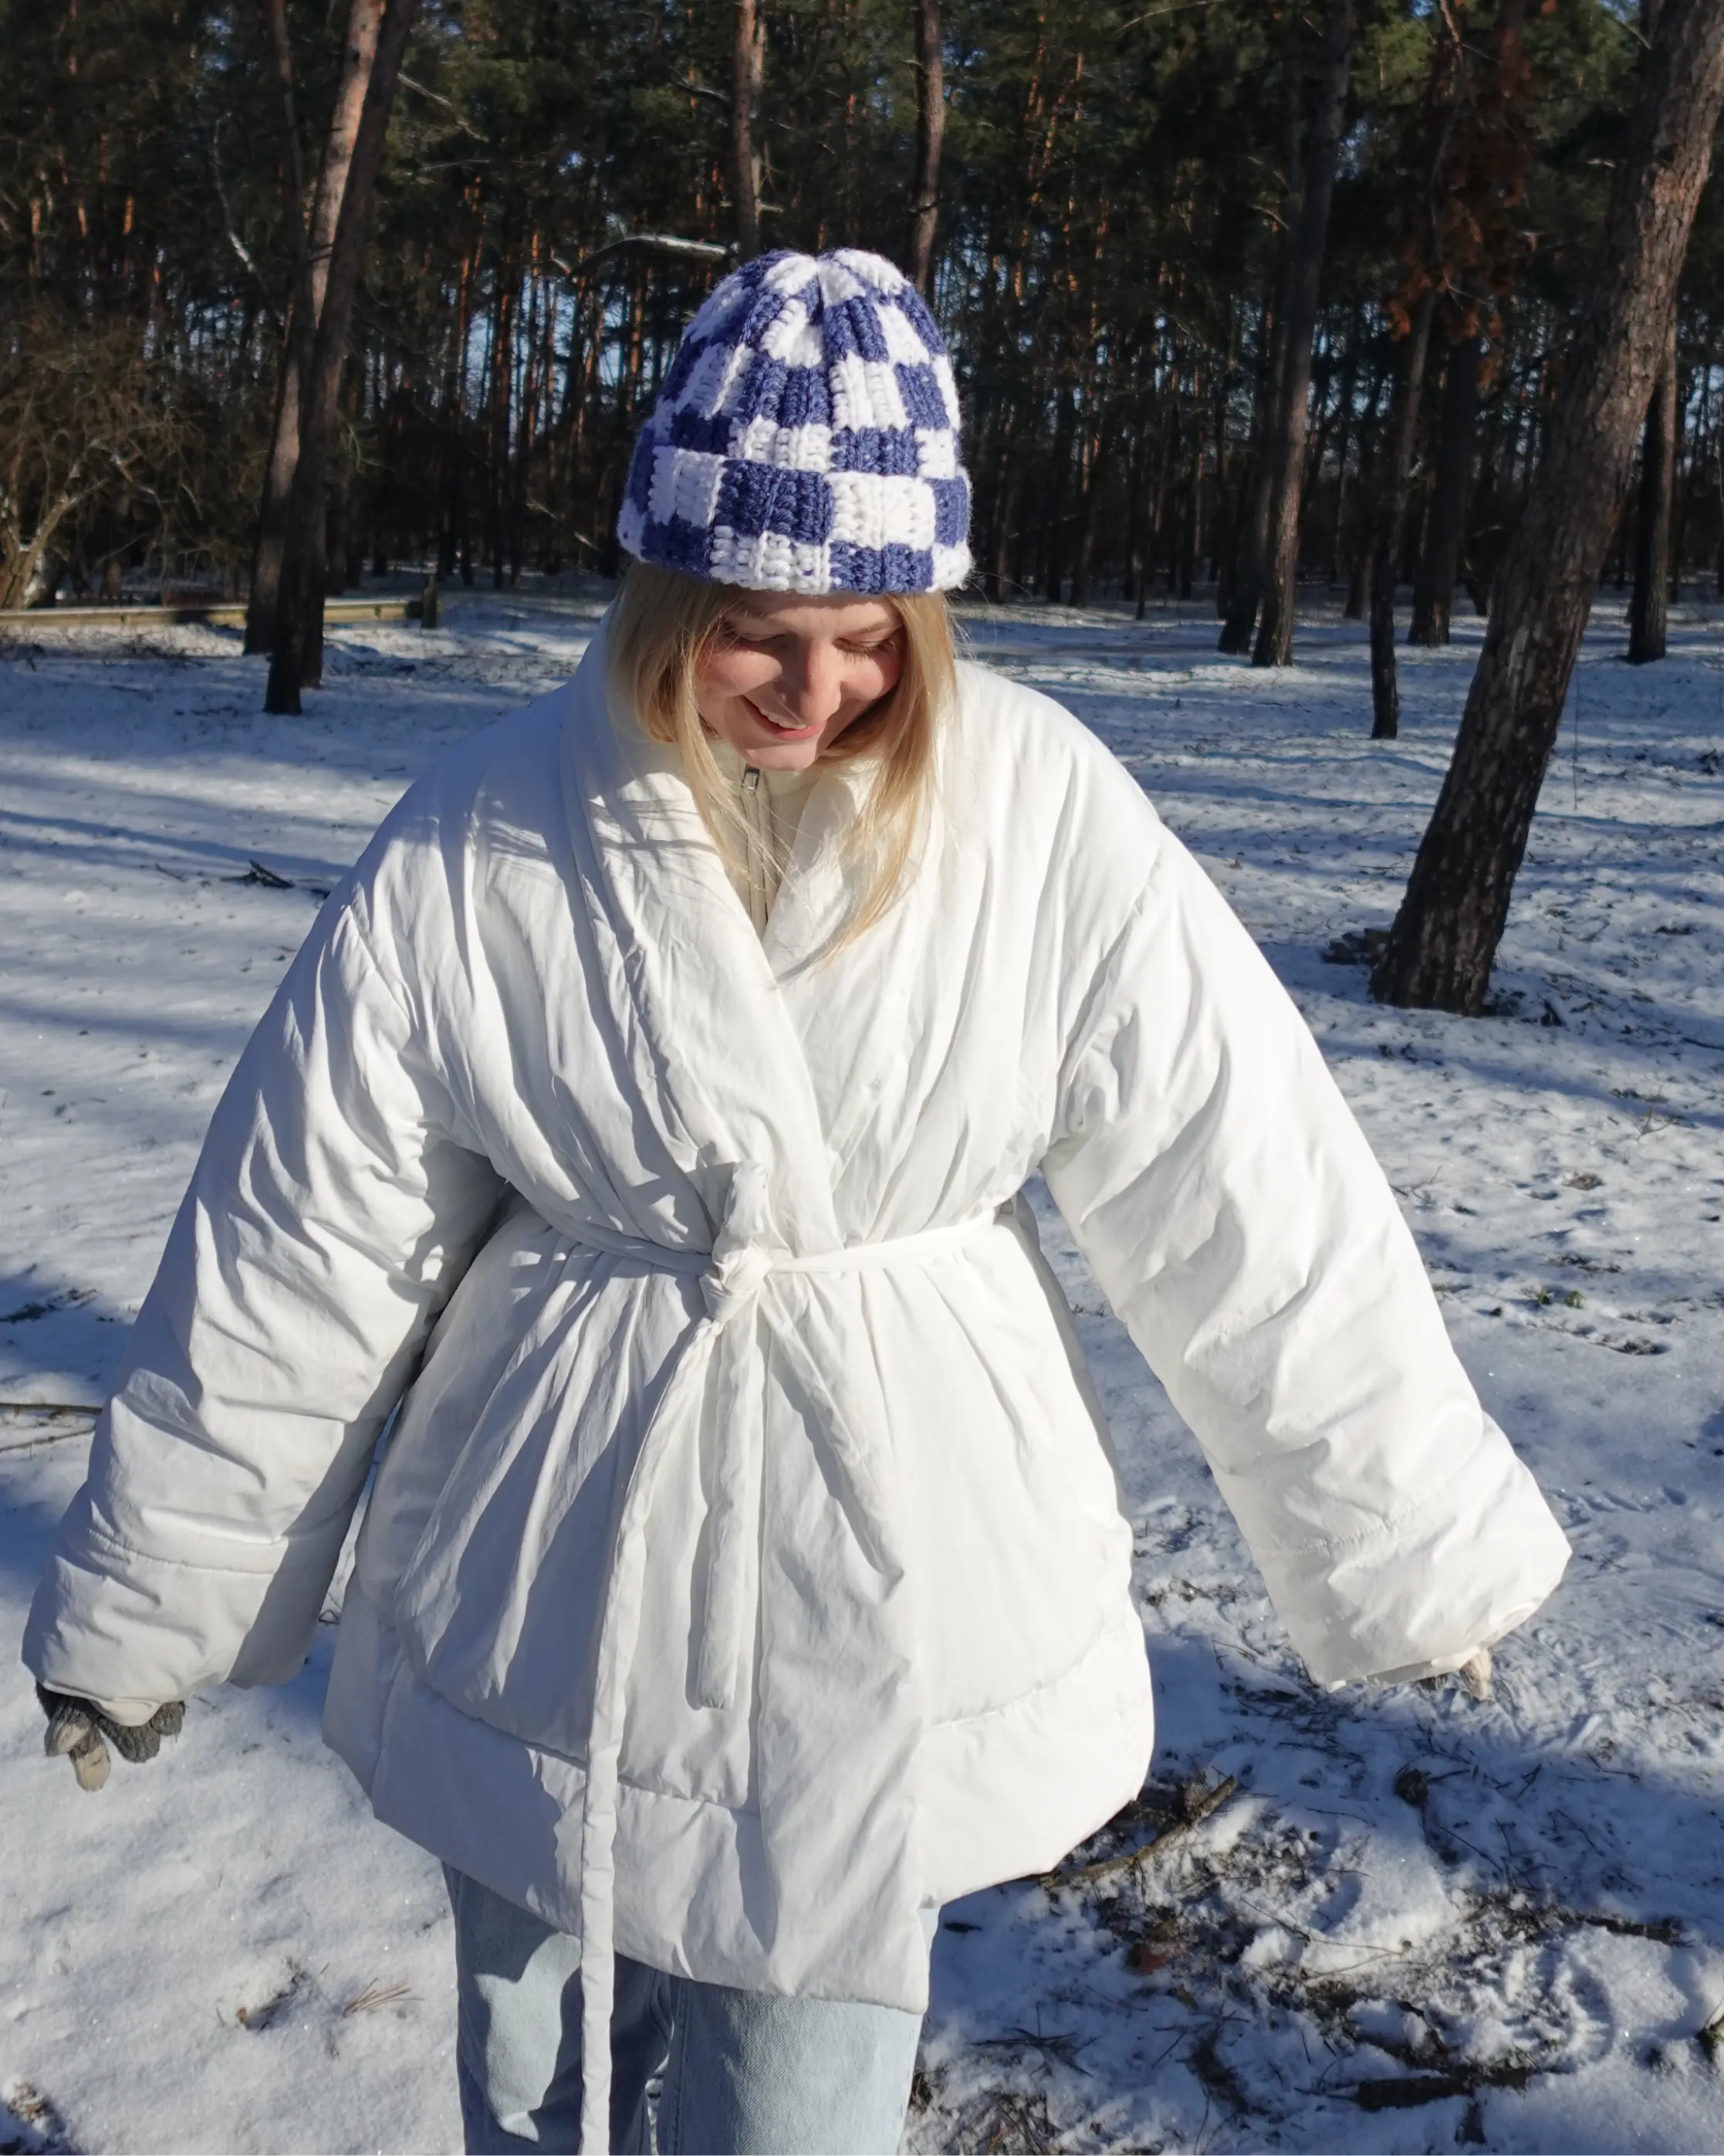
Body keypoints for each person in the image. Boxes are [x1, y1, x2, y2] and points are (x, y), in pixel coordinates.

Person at [23, 250, 1570, 2155]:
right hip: (560, 1549)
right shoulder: (487, 833)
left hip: (894, 1533)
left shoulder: (1043, 815)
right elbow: (306, 1243)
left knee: (805, 2083)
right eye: (762, 628)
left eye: (873, 636)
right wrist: (149, 1599)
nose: (821, 689)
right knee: (532, 2064)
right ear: (664, 586)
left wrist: (1406, 1536)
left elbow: (1244, 1186)